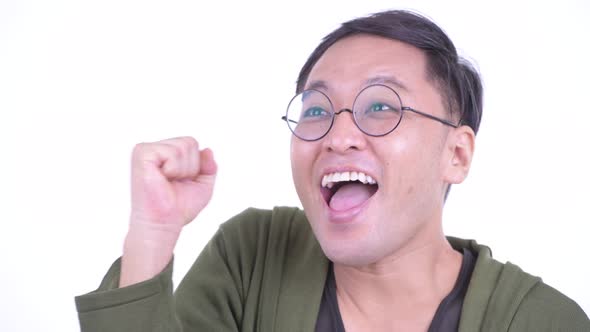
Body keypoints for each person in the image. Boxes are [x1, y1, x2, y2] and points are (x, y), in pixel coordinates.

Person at [75, 10, 589, 332]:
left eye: (382, 106)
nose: (338, 135)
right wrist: (152, 233)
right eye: (317, 110)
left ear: (456, 155)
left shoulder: (541, 321)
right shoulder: (253, 255)